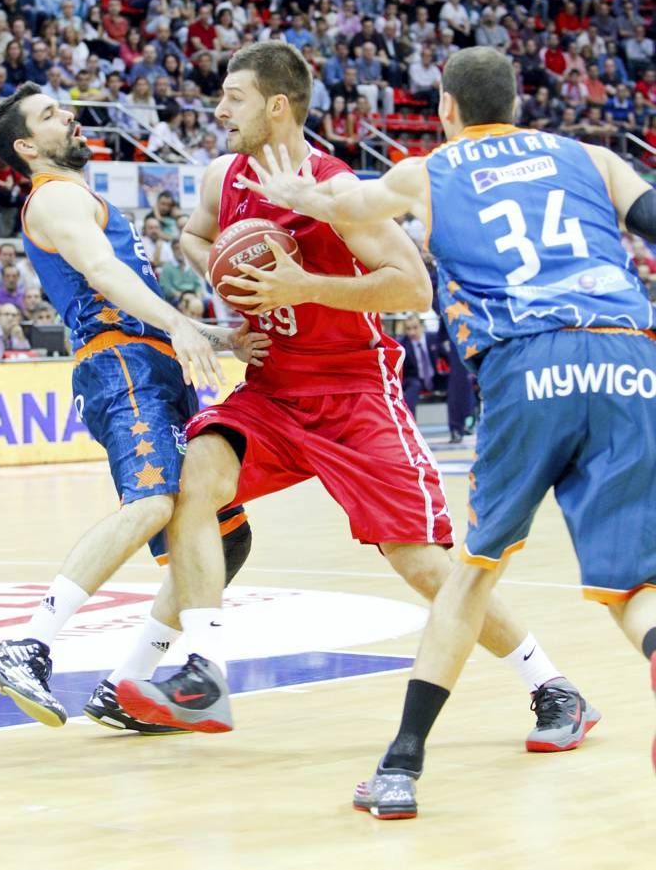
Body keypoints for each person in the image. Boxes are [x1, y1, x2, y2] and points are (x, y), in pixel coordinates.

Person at [115, 44, 590, 749]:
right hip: (272, 390)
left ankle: (553, 684)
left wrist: (301, 287)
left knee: (423, 564)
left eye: (233, 96)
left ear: (278, 106)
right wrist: (234, 288)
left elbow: (413, 287)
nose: (218, 109)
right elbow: (194, 235)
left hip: (353, 394)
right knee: (198, 478)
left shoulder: (336, 189)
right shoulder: (224, 175)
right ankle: (204, 669)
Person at [238, 45, 656, 817]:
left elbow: (348, 207)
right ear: (520, 103)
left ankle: (401, 766)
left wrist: (301, 191)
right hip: (631, 353)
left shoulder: (428, 170)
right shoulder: (594, 157)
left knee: (471, 573)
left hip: (529, 359)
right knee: (636, 585)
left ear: (446, 108)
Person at [0, 83, 268, 730]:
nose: (69, 116)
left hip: (152, 360)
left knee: (227, 533)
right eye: (51, 114)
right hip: (120, 363)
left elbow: (138, 281)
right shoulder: (54, 196)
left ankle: (126, 683)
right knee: (155, 499)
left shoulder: (81, 196)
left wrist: (216, 335)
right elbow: (104, 271)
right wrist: (182, 326)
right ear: (26, 146)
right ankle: (28, 642)